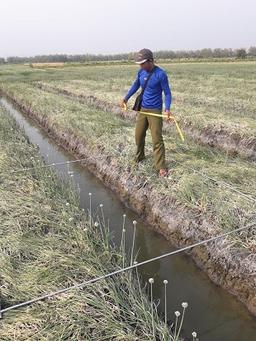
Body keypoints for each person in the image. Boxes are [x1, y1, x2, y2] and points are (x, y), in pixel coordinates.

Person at [121, 48, 172, 177]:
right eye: (140, 64)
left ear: (150, 61)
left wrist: (167, 109)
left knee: (157, 139)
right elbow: (135, 86)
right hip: (143, 109)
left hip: (155, 110)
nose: (141, 66)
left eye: (143, 63)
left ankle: (161, 166)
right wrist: (125, 98)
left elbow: (167, 92)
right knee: (138, 135)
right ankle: (139, 157)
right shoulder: (141, 73)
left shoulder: (161, 74)